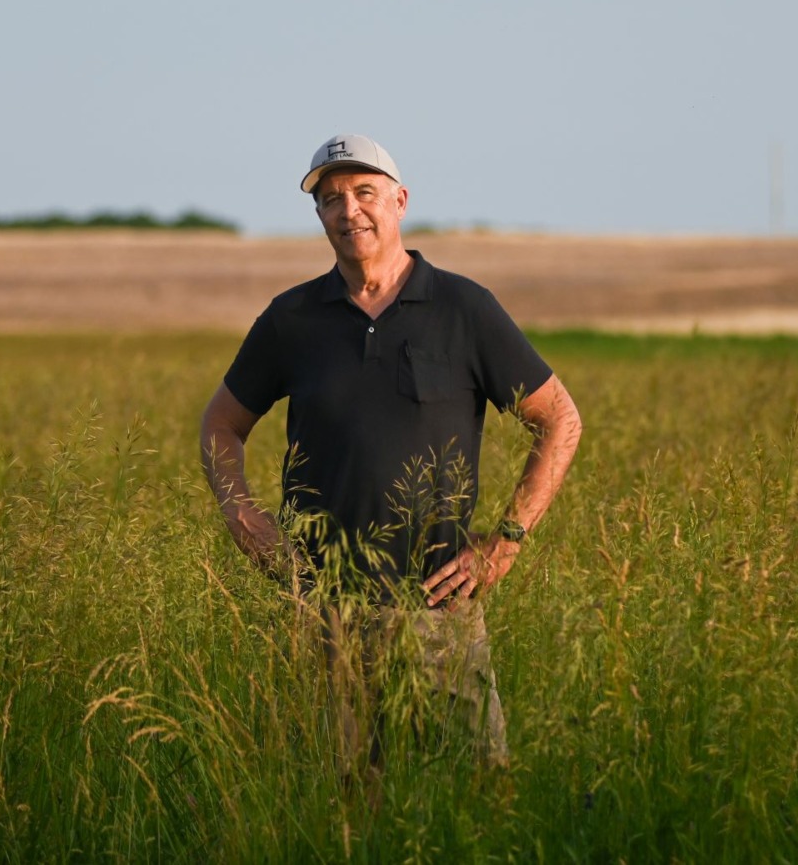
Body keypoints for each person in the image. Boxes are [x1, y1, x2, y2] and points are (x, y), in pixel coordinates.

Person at [199, 134, 582, 775]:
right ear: (319, 217)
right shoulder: (291, 319)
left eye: (365, 192)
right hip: (322, 605)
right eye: (330, 199)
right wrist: (245, 518)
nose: (349, 210)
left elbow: (559, 418)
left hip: (439, 608)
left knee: (476, 790)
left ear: (400, 201)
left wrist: (508, 537)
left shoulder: (464, 309)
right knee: (341, 800)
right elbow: (220, 426)